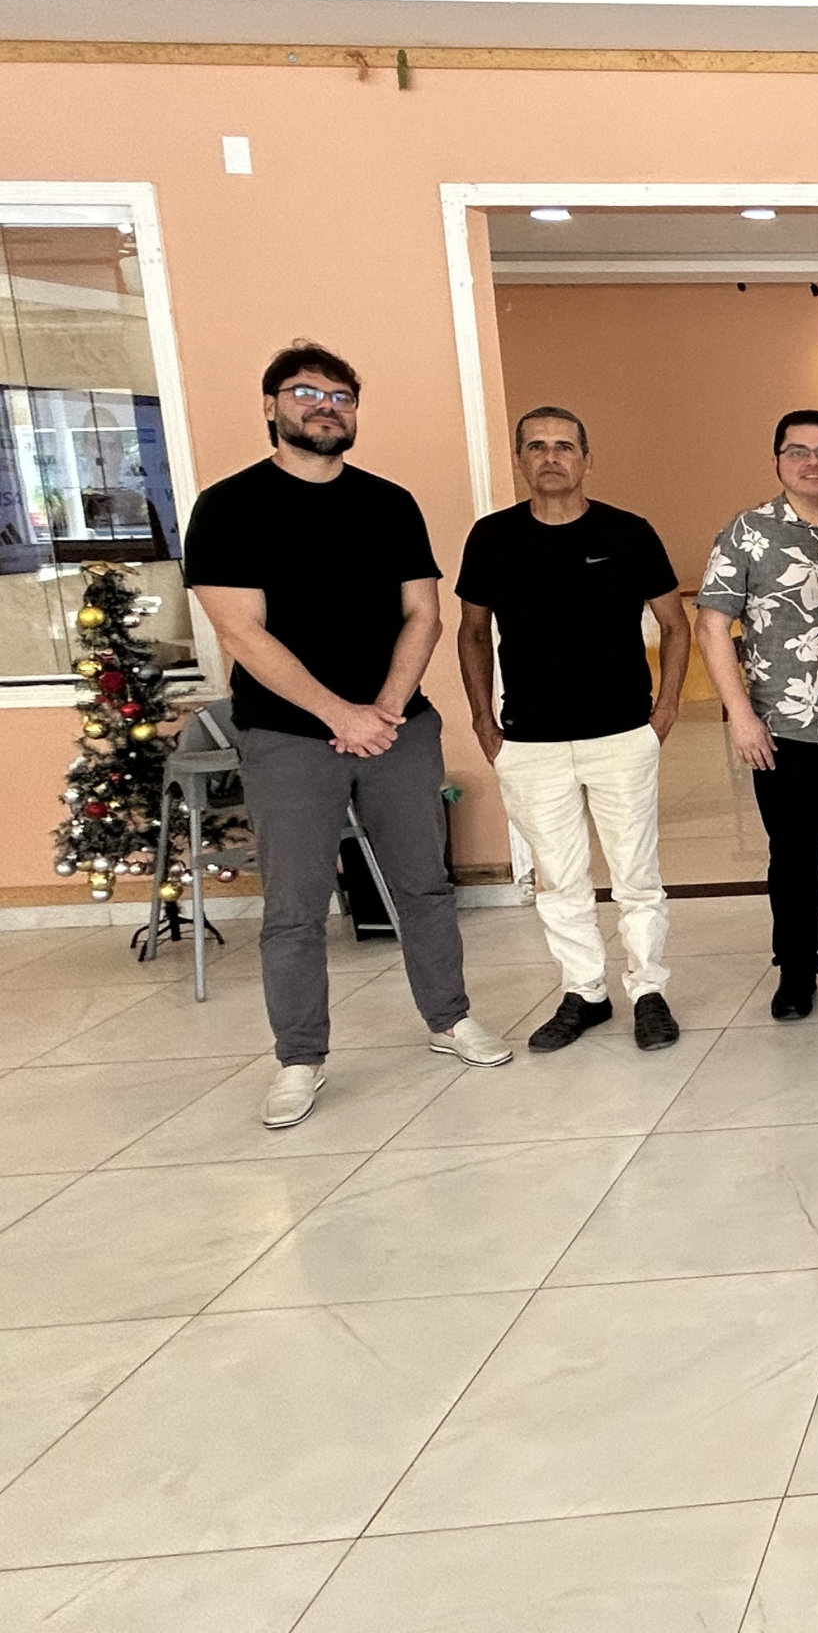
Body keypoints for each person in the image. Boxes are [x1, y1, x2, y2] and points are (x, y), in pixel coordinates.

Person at [184, 343, 510, 1130]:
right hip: (289, 738)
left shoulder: (388, 503)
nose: (325, 407)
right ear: (271, 406)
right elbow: (241, 632)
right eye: (306, 393)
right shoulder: (228, 507)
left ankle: (449, 1019)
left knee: (424, 886)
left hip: (398, 728)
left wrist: (385, 708)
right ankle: (300, 1058)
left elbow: (423, 614)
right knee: (295, 906)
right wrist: (340, 715)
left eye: (341, 397)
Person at [456, 407, 689, 1055]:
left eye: (564, 445)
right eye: (536, 446)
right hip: (529, 741)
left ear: (587, 458)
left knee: (636, 876)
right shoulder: (493, 538)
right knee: (558, 880)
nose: (551, 456)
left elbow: (676, 624)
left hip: (621, 735)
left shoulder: (627, 533)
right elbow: (472, 631)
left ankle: (648, 991)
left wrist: (666, 709)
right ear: (519, 460)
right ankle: (585, 992)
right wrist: (483, 720)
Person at [695, 410, 818, 1019]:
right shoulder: (747, 532)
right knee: (794, 857)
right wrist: (741, 715)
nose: (812, 462)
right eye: (798, 451)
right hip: (782, 730)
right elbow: (712, 626)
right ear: (777, 460)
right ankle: (798, 969)